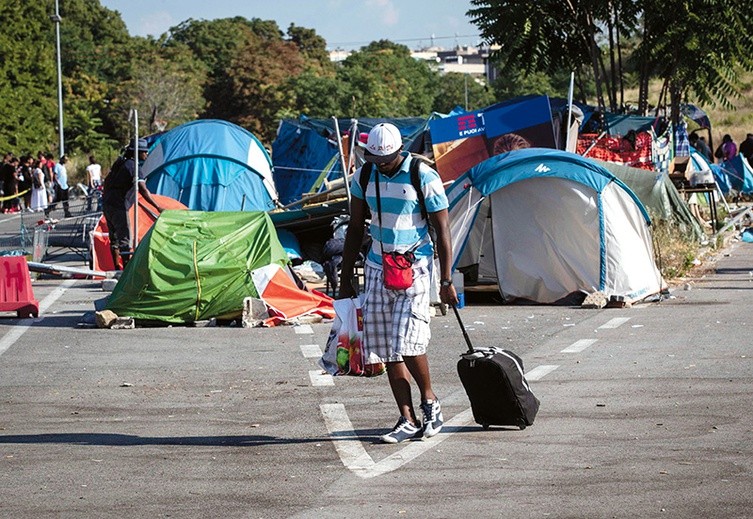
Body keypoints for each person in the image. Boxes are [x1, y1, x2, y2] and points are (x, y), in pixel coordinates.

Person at [338, 123, 458, 444]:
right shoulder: (364, 176)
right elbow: (354, 228)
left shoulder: (422, 176)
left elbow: (443, 231)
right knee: (386, 346)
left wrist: (446, 279)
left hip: (415, 267)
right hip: (378, 266)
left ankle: (430, 403)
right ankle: (406, 418)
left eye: (387, 160)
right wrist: (346, 276)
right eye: (376, 160)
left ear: (398, 152)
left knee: (408, 341)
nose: (382, 165)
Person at [102, 138, 164, 270]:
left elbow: (107, 183)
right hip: (119, 206)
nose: (146, 155)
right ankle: (126, 271)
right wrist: (157, 206)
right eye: (144, 152)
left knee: (114, 240)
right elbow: (143, 189)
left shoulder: (119, 164)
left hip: (108, 204)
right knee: (124, 240)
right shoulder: (134, 167)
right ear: (137, 152)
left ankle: (117, 270)